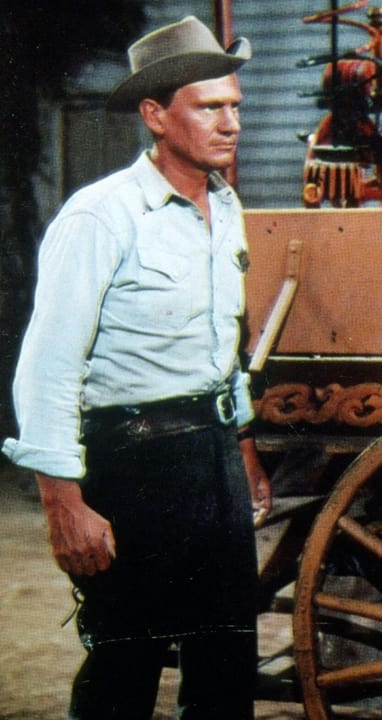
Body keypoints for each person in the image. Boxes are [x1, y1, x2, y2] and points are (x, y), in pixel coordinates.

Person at [2, 16, 270, 720]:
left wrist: (242, 448)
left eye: (235, 106)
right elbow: (47, 367)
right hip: (133, 467)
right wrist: (63, 504)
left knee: (226, 674)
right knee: (123, 676)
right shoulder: (101, 217)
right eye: (209, 107)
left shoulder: (226, 208)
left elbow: (225, 342)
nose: (232, 124)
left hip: (214, 461)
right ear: (155, 114)